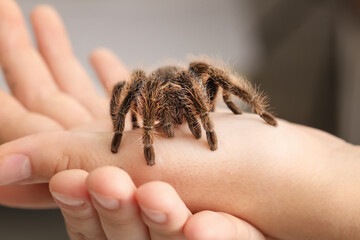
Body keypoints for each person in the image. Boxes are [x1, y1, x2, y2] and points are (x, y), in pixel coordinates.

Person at [0, 0, 359, 239]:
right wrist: (128, 134)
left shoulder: (195, 81)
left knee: (207, 70)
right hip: (153, 91)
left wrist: (329, 175)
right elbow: (126, 90)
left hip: (187, 84)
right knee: (136, 80)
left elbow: (215, 79)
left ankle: (251, 110)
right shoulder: (145, 89)